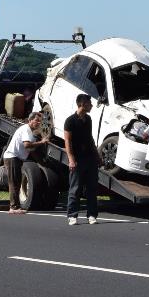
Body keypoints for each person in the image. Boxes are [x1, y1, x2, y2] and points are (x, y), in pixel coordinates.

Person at [65, 93, 101, 226]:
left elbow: (90, 138)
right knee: (75, 188)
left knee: (92, 188)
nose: (91, 106)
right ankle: (72, 215)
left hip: (90, 158)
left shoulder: (88, 119)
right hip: (77, 159)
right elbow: (67, 141)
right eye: (89, 103)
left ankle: (92, 215)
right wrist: (71, 159)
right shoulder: (70, 120)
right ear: (82, 104)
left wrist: (97, 155)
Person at [3, 111, 49, 215]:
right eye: (36, 120)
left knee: (17, 182)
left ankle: (15, 206)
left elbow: (30, 150)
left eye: (40, 121)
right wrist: (41, 142)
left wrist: (41, 162)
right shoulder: (26, 129)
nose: (38, 123)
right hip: (12, 157)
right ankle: (13, 207)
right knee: (14, 182)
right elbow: (27, 145)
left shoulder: (30, 132)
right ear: (30, 120)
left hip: (16, 158)